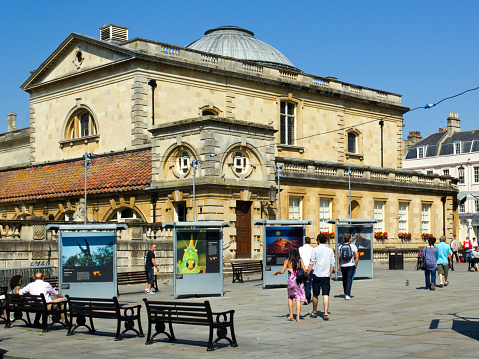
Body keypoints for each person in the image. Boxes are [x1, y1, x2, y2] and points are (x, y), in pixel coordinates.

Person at [272, 246, 307, 322]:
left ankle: (291, 315)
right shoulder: (300, 260)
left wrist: (276, 273)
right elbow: (304, 269)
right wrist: (308, 275)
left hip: (290, 282)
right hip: (298, 282)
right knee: (298, 299)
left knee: (290, 298)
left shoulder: (287, 261)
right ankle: (298, 317)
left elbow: (282, 271)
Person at [307, 233, 335, 320]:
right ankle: (326, 313)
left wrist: (308, 274)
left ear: (318, 241)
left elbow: (311, 264)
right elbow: (332, 265)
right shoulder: (330, 250)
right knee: (325, 294)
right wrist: (329, 274)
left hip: (317, 275)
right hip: (326, 276)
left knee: (315, 294)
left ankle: (314, 311)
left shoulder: (315, 250)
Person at [337, 234, 359, 300]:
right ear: (349, 239)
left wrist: (338, 265)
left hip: (343, 265)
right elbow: (357, 256)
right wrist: (356, 264)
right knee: (349, 279)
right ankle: (347, 294)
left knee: (344, 279)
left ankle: (345, 292)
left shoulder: (340, 246)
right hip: (350, 265)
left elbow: (338, 257)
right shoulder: (353, 246)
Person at [299, 236, 313, 304]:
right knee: (308, 283)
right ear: (310, 242)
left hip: (302, 268)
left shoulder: (300, 249)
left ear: (304, 241)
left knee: (302, 283)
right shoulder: (312, 249)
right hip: (310, 268)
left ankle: (305, 296)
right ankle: (307, 297)